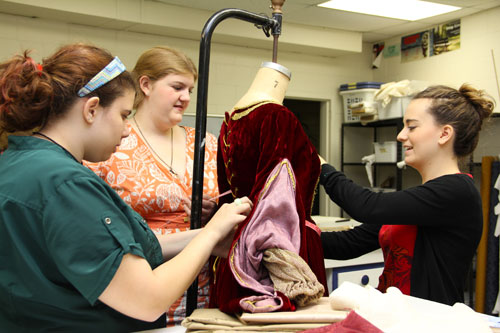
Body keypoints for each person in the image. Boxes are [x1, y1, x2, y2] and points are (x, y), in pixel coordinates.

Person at [0, 43, 252, 331]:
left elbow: (115, 248)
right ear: (92, 109)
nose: (126, 128)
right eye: (122, 114)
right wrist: (212, 234)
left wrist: (206, 235)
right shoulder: (67, 183)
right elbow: (147, 300)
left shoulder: (14, 163)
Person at [319, 83, 495, 306]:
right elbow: (350, 243)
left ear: (444, 134)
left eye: (411, 127)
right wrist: (285, 238)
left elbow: (367, 207)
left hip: (429, 324)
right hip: (397, 318)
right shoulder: (423, 200)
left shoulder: (457, 192)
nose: (401, 136)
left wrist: (323, 169)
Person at [85, 46, 219, 325]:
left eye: (190, 90)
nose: (186, 97)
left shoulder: (206, 144)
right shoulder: (112, 142)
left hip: (204, 288)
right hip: (140, 288)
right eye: (177, 87)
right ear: (145, 85)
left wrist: (215, 212)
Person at [210, 62, 327, 313]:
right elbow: (276, 198)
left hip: (234, 247)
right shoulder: (277, 116)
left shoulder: (230, 121)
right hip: (280, 247)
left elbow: (226, 196)